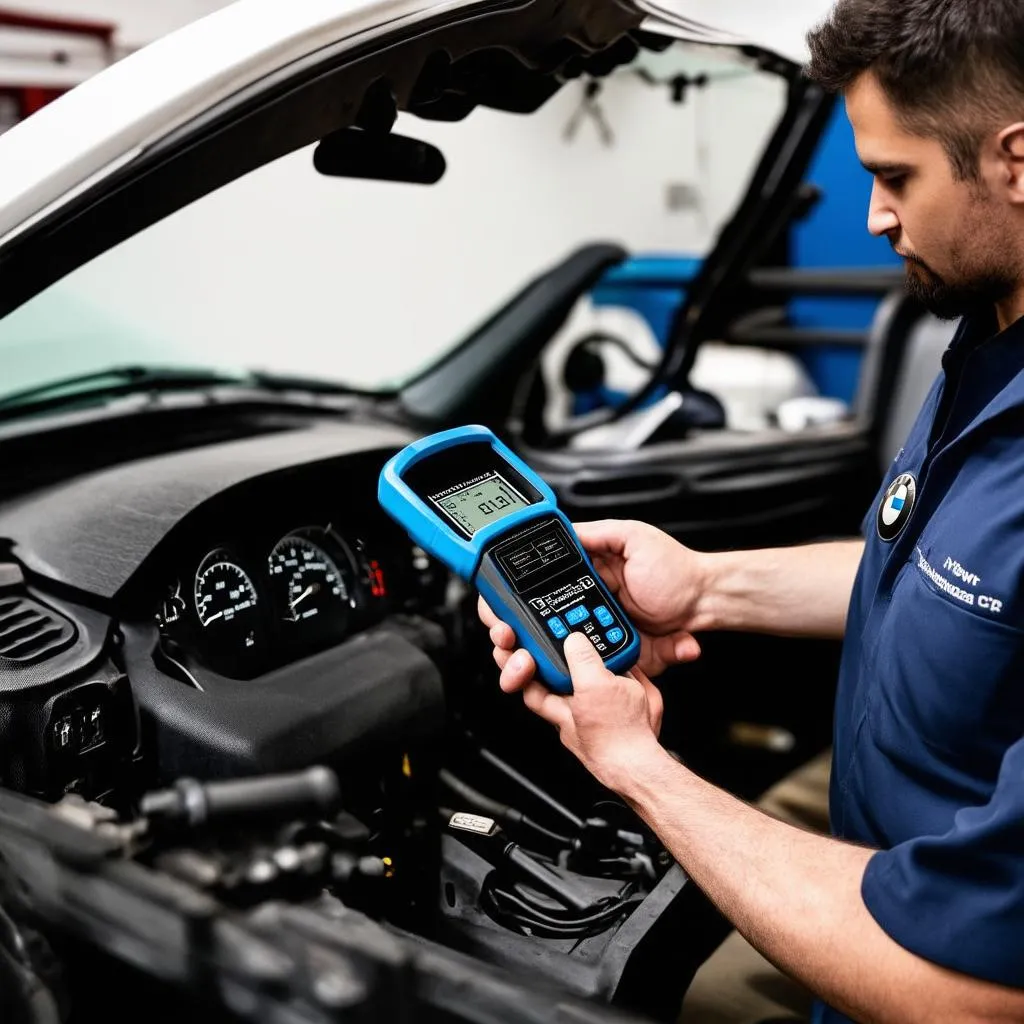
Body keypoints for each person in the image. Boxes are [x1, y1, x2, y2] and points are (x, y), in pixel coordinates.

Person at [479, 2, 1024, 1021]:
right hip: (880, 862)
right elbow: (953, 579)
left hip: (918, 947)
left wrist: (632, 764)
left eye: (893, 175)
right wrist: (705, 585)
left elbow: (974, 998)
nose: (872, 214)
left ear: (1016, 162)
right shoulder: (994, 337)